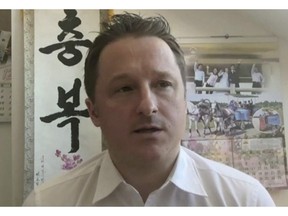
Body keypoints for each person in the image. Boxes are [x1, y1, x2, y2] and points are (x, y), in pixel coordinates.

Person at [23, 13, 275, 206]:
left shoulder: (244, 200)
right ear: (94, 111)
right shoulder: (47, 203)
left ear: (185, 102)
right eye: (124, 89)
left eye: (163, 85)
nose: (148, 106)